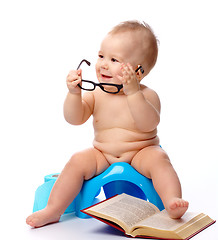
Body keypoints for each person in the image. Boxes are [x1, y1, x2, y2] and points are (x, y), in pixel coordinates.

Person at [26, 20, 189, 228]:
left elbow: (148, 123)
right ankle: (53, 210)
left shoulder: (148, 95)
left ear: (138, 73)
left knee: (160, 159)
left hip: (141, 152)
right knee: (77, 160)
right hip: (102, 153)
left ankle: (172, 201)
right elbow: (74, 119)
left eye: (114, 59)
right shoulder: (97, 93)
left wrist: (133, 93)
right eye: (101, 56)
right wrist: (74, 94)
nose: (103, 64)